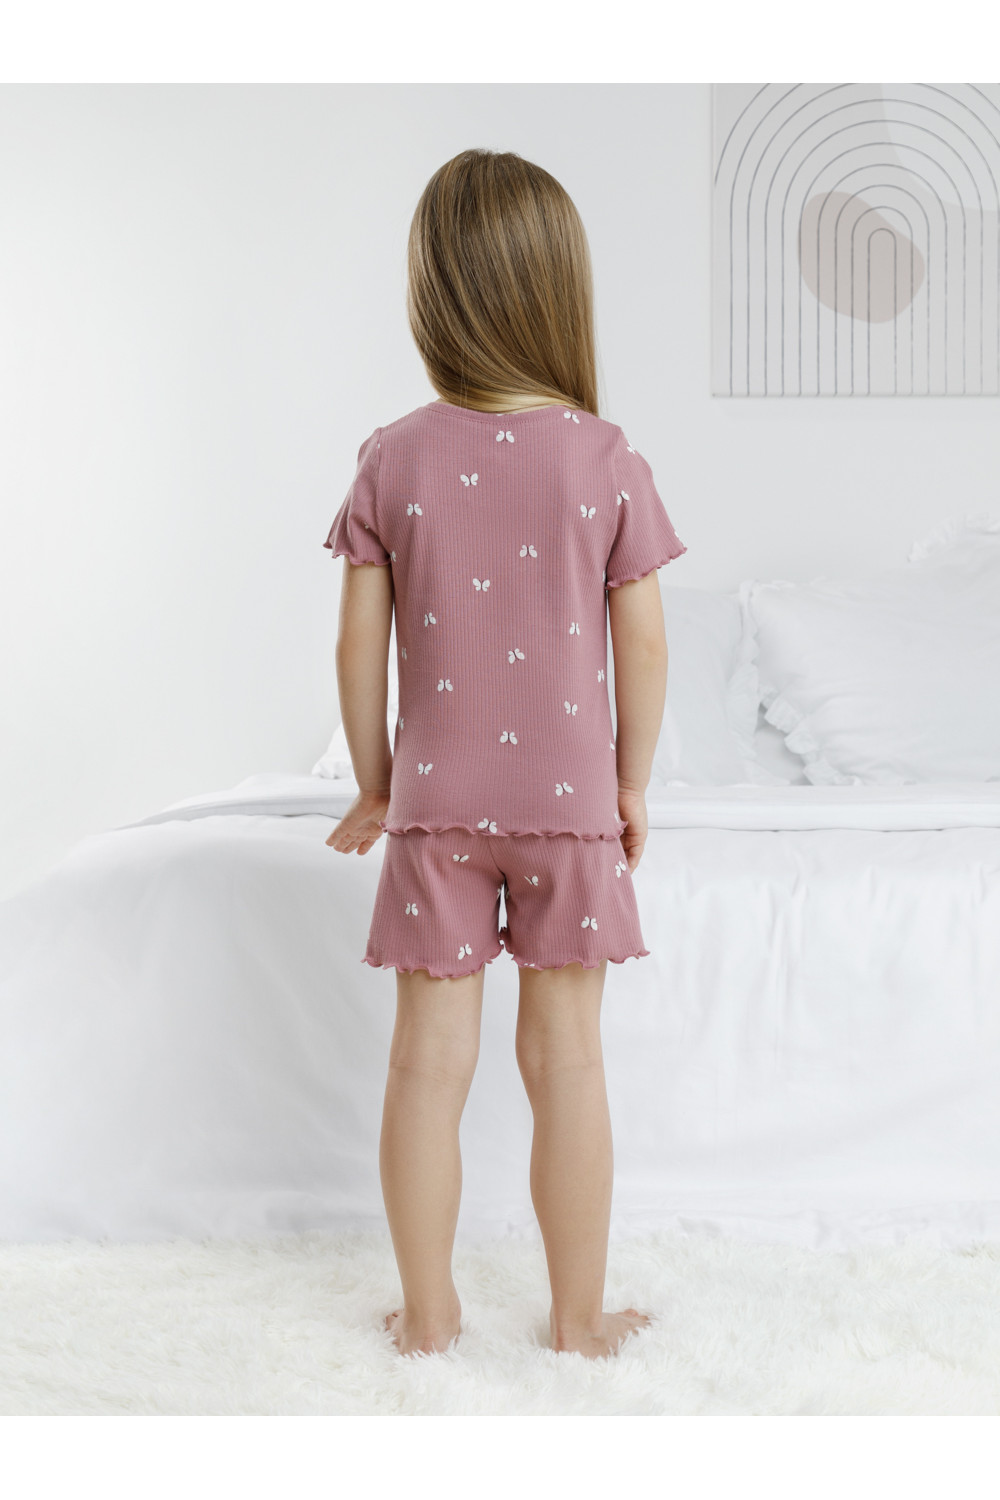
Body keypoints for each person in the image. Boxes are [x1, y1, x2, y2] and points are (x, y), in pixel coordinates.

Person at [322, 148, 687, 1361]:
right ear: (555, 289)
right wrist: (628, 783)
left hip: (436, 807)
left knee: (426, 1067)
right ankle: (578, 1322)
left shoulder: (392, 455)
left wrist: (376, 783)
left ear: (433, 293)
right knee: (567, 1061)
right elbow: (644, 644)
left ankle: (428, 1319)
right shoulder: (604, 455)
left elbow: (357, 641)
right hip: (568, 807)